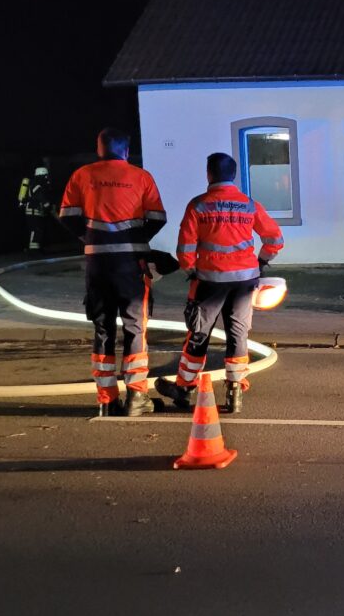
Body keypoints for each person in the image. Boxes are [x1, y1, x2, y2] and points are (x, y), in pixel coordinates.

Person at [156, 153, 284, 414]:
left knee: (199, 335)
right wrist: (260, 263)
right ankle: (235, 390)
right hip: (244, 281)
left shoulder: (199, 205)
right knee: (238, 334)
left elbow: (185, 250)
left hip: (210, 281)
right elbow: (275, 240)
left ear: (208, 174)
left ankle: (184, 389)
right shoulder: (249, 204)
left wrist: (191, 268)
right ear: (233, 175)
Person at [58, 128, 167, 416]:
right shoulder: (141, 177)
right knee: (135, 328)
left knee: (102, 328)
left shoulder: (82, 175)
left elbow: (67, 216)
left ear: (100, 148)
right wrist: (137, 240)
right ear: (126, 150)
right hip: (130, 264)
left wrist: (90, 239)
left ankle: (106, 400)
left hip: (97, 264)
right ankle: (136, 396)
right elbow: (158, 217)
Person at [18, 163, 55, 253]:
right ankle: (34, 250)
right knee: (35, 230)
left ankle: (36, 247)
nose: (46, 178)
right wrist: (47, 205)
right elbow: (40, 197)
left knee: (37, 230)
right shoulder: (37, 185)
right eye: (45, 176)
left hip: (35, 211)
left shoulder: (34, 184)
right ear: (42, 175)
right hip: (33, 211)